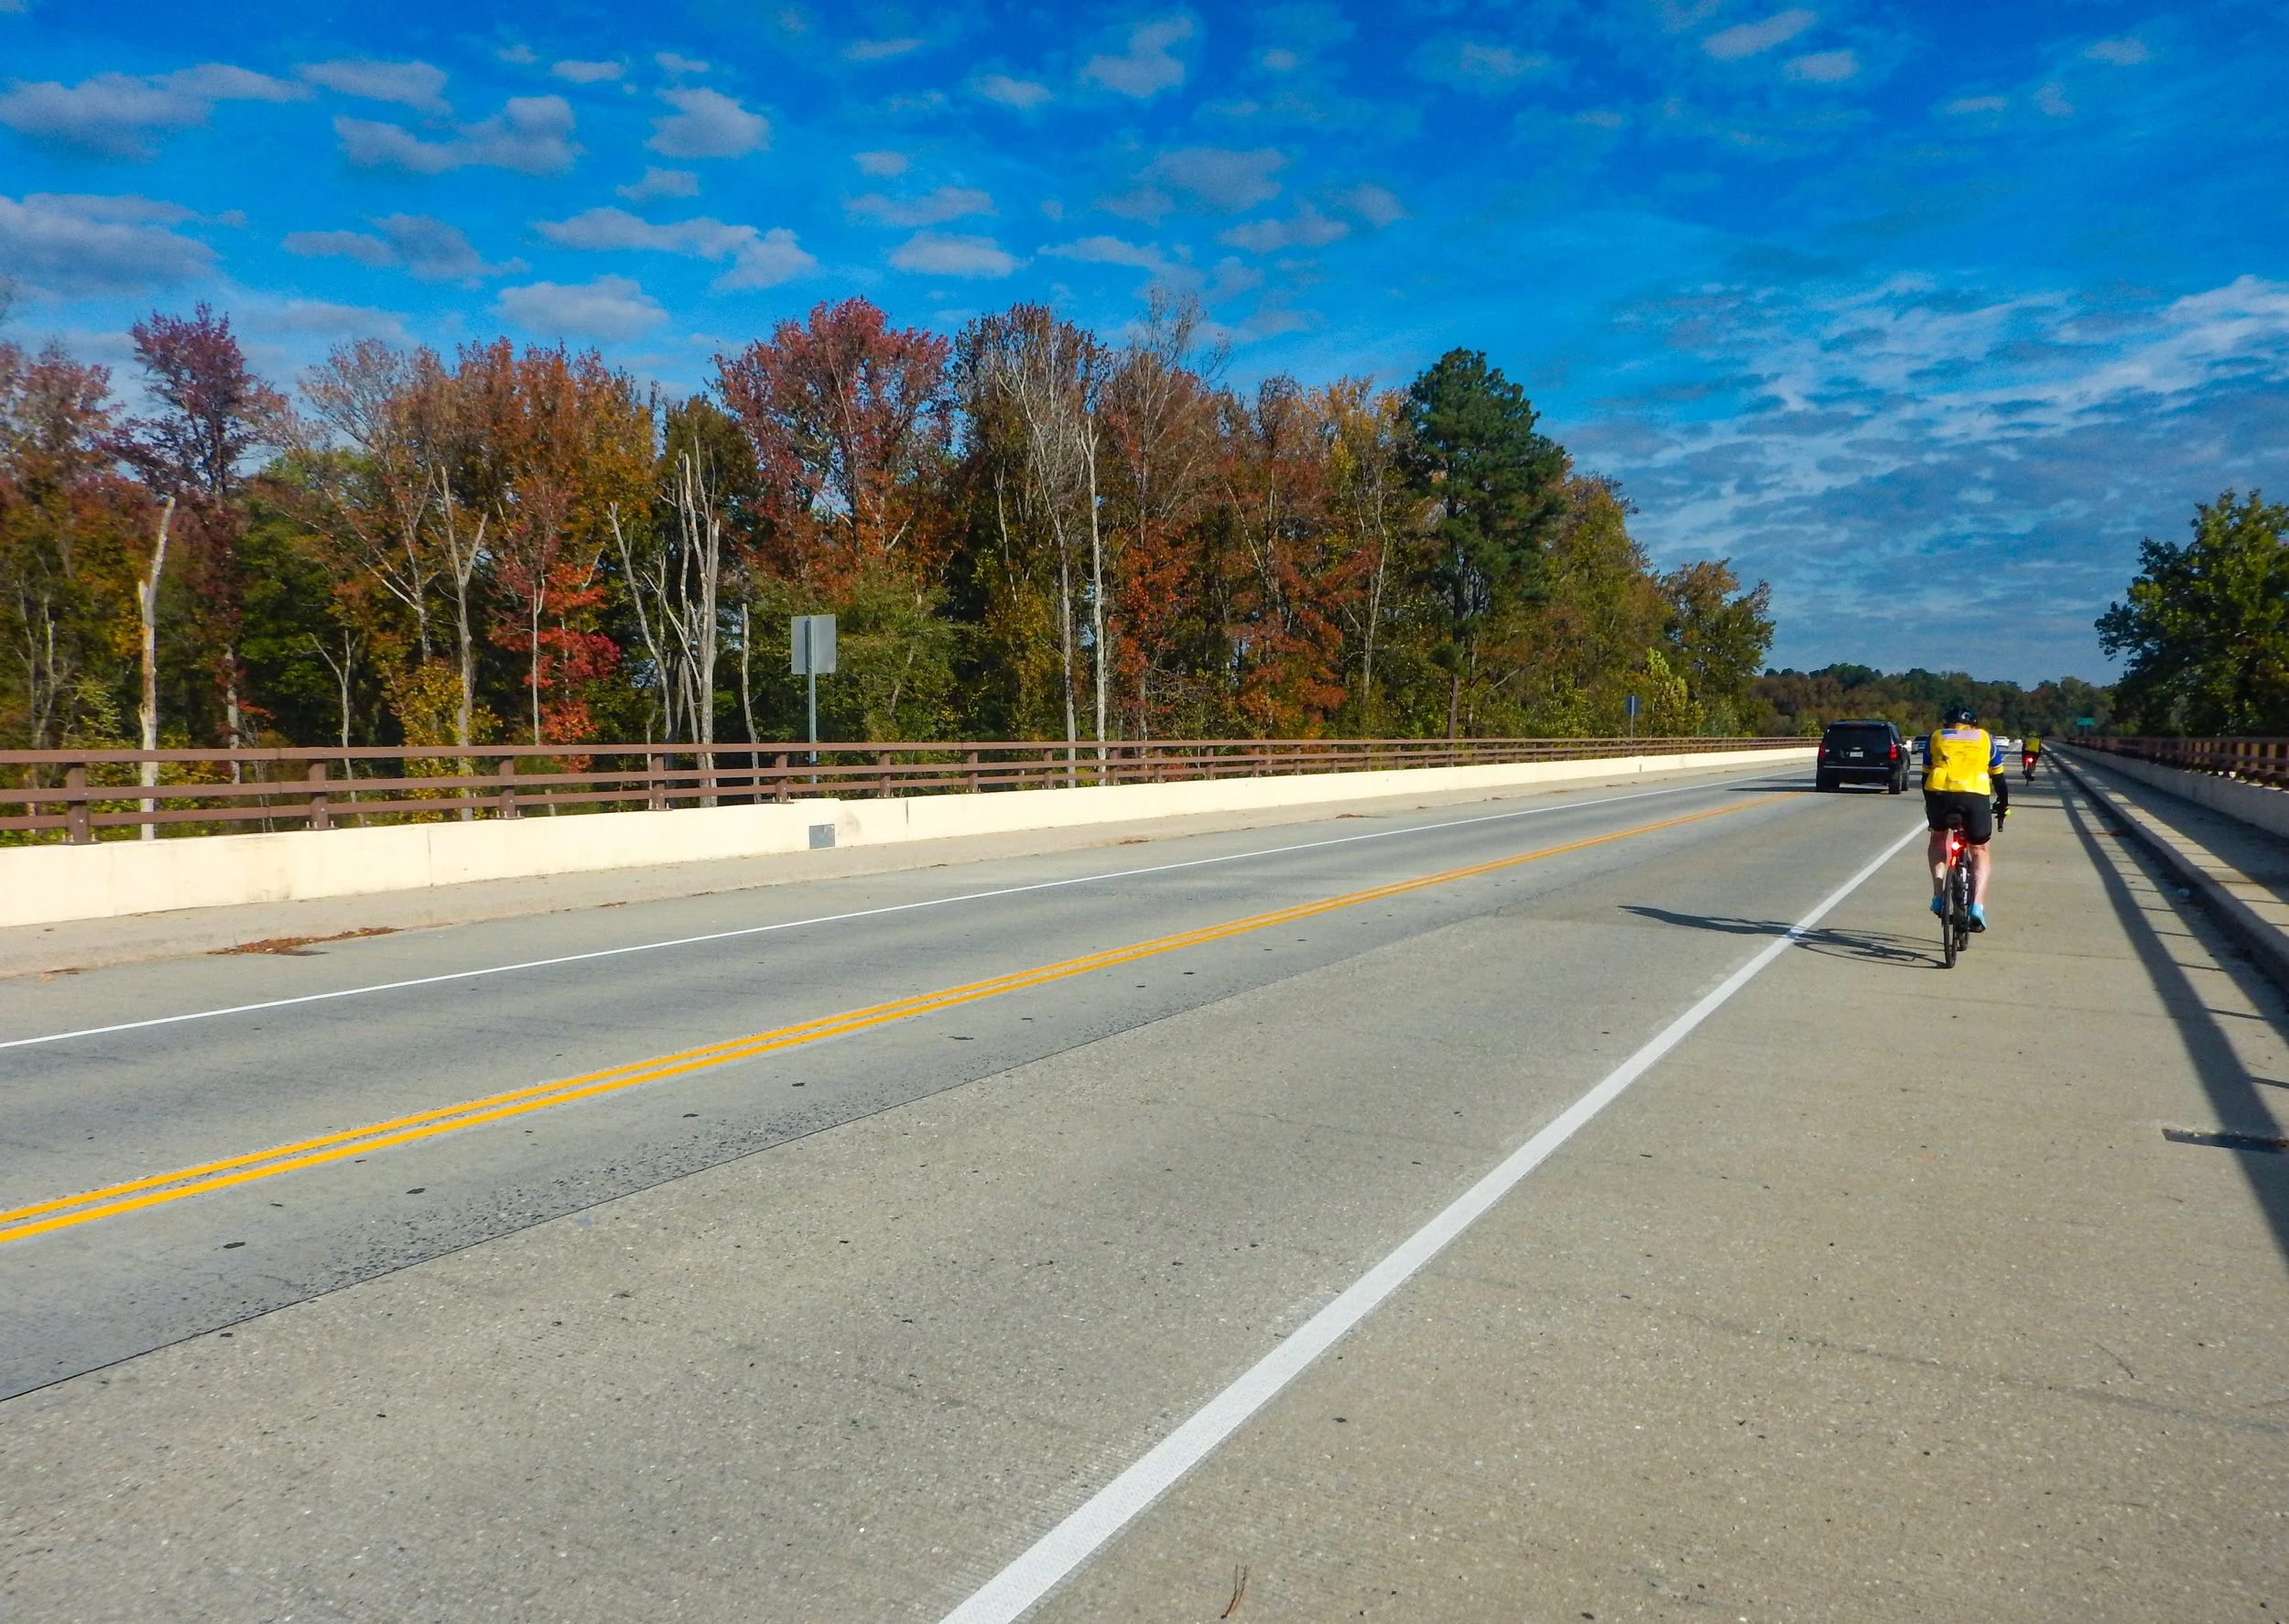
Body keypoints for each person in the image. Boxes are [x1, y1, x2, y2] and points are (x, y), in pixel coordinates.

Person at [1924, 702, 2008, 930]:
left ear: (1948, 724)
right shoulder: (1984, 738)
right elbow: (1999, 779)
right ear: (1972, 724)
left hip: (1940, 794)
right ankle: (1977, 907)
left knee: (1938, 839)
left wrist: (1930, 806)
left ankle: (1939, 896)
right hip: (1975, 796)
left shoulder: (1937, 737)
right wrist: (2003, 805)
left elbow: (1925, 777)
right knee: (1979, 850)